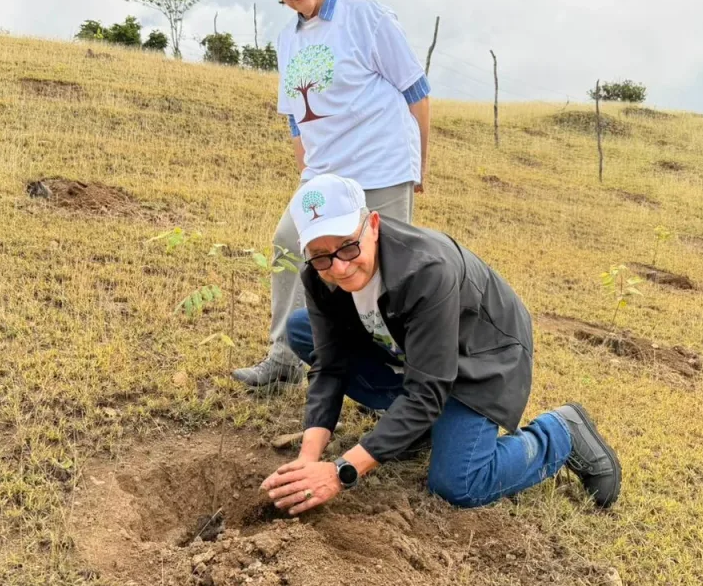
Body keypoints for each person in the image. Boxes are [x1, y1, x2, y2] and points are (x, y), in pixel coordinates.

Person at [259, 174, 622, 514]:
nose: (338, 267)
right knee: (302, 329)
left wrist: (341, 471)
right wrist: (309, 457)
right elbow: (330, 364)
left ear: (372, 226)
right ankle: (419, 429)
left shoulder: (426, 271)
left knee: (459, 483)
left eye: (348, 248)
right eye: (321, 255)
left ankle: (561, 433)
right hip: (416, 348)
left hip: (484, 356)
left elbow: (426, 391)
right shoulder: (319, 274)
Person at [232, 0, 432, 389]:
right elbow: (292, 115)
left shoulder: (367, 17)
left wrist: (419, 164)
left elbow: (416, 90)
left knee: (385, 271)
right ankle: (284, 360)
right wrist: (306, 164)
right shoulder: (288, 40)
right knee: (289, 244)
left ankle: (411, 377)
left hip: (380, 166)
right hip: (323, 174)